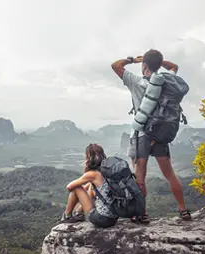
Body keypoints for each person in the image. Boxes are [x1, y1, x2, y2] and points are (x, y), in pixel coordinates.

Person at [111, 49, 191, 223]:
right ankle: (183, 210)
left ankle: (142, 213)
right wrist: (157, 62)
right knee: (170, 174)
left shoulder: (137, 82)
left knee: (140, 175)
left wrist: (133, 60)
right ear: (158, 64)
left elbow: (115, 65)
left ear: (144, 65)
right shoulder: (167, 80)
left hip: (141, 135)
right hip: (161, 133)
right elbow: (174, 66)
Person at [58, 143, 118, 228]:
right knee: (91, 185)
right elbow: (92, 186)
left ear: (89, 157)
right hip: (113, 219)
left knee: (77, 188)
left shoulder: (92, 174)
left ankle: (67, 215)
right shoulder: (106, 171)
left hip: (101, 219)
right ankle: (78, 213)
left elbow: (69, 187)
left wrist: (86, 172)